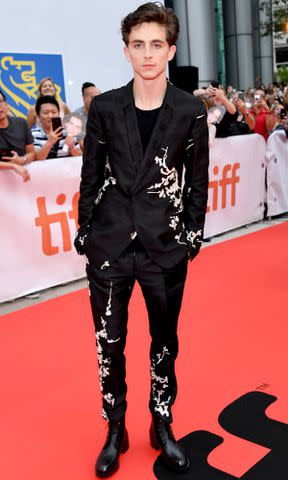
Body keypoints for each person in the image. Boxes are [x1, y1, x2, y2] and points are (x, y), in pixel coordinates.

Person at [74, 3, 209, 477]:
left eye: (156, 45)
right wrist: (84, 231)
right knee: (108, 343)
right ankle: (115, 428)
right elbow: (90, 174)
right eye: (138, 45)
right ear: (127, 50)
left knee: (164, 344)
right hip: (109, 248)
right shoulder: (106, 107)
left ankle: (162, 423)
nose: (147, 54)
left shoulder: (191, 109)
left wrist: (191, 236)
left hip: (165, 248)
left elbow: (198, 180)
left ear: (171, 49)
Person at [31, 96, 81, 160]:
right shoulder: (33, 134)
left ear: (58, 113)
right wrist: (49, 143)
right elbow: (35, 159)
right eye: (46, 113)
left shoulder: (68, 132)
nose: (50, 116)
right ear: (38, 116)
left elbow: (80, 156)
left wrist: (72, 148)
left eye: (54, 112)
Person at [0, 89, 34, 181]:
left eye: (0, 102)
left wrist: (23, 160)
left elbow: (31, 153)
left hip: (23, 180)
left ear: (6, 105)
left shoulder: (21, 123)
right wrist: (13, 166)